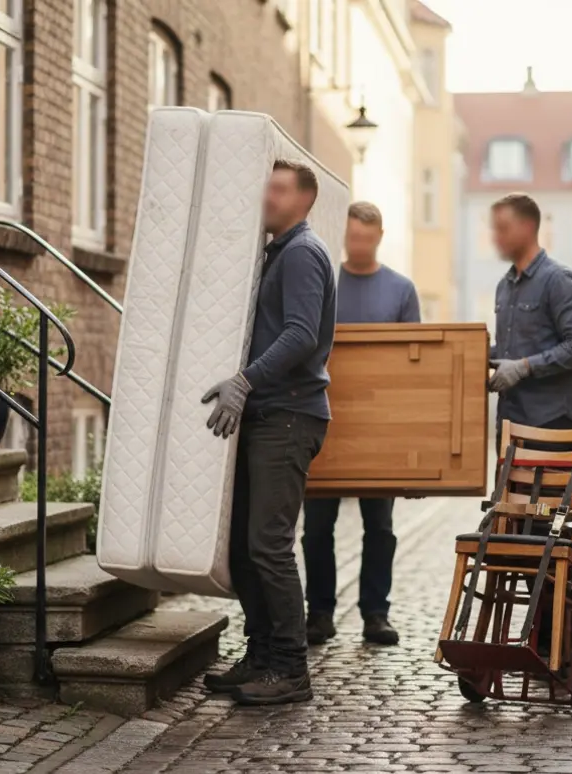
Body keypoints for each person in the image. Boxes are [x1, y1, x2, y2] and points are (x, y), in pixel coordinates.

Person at [200, 159, 337, 706]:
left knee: (270, 547)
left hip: (290, 415)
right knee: (243, 545)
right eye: (266, 187)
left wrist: (245, 380)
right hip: (269, 414)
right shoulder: (276, 251)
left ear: (304, 200)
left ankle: (290, 669)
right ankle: (260, 655)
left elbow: (302, 335)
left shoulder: (302, 253)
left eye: (278, 190)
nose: (267, 197)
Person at [301, 202, 418, 648]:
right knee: (316, 528)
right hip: (322, 422)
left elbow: (415, 369)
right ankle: (320, 613)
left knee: (381, 528)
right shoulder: (325, 282)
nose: (359, 245)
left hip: (380, 432)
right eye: (353, 238)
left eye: (367, 238)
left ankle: (375, 613)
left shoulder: (401, 290)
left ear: (380, 237)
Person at [486, 192, 572, 655]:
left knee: (550, 532)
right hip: (513, 432)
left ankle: (555, 640)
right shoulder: (505, 287)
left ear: (527, 229)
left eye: (503, 227)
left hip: (552, 432)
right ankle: (529, 638)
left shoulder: (558, 281)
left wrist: (524, 367)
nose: (496, 236)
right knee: (514, 537)